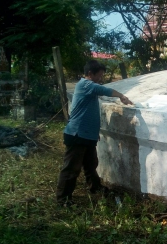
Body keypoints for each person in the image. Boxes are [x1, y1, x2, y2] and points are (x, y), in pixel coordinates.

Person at [56, 60, 133, 206]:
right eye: (99, 75)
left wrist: (93, 132)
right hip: (77, 134)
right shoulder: (86, 85)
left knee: (91, 164)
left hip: (87, 135)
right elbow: (105, 91)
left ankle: (95, 187)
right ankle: (63, 199)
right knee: (72, 168)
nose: (101, 79)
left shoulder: (89, 88)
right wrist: (121, 96)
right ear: (90, 74)